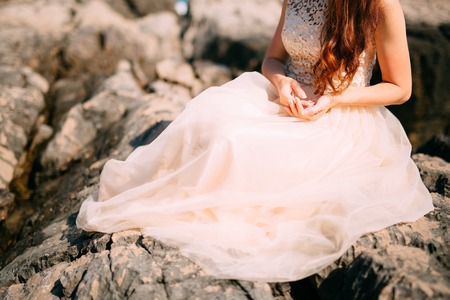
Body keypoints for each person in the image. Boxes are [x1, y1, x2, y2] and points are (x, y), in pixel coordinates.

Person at [76, 0, 433, 282]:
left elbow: (400, 88)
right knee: (207, 116)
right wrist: (282, 84)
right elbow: (273, 59)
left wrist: (334, 100)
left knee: (237, 144)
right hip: (281, 100)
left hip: (337, 117)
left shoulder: (380, 4)